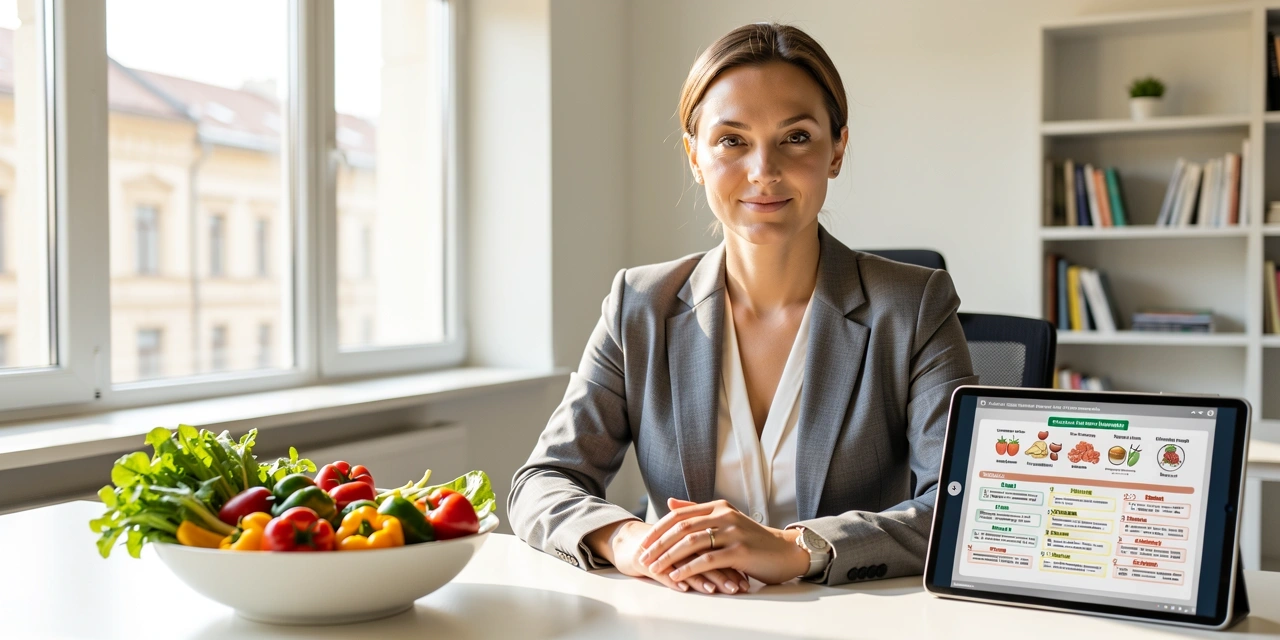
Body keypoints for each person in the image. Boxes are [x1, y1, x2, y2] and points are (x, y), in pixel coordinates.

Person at [508, 22, 976, 594]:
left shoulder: (913, 306)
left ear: (837, 149)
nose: (763, 170)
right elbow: (544, 481)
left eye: (797, 137)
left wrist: (795, 548)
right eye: (731, 140)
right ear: (694, 157)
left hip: (849, 620)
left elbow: (961, 508)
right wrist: (630, 542)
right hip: (680, 616)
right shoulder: (640, 305)